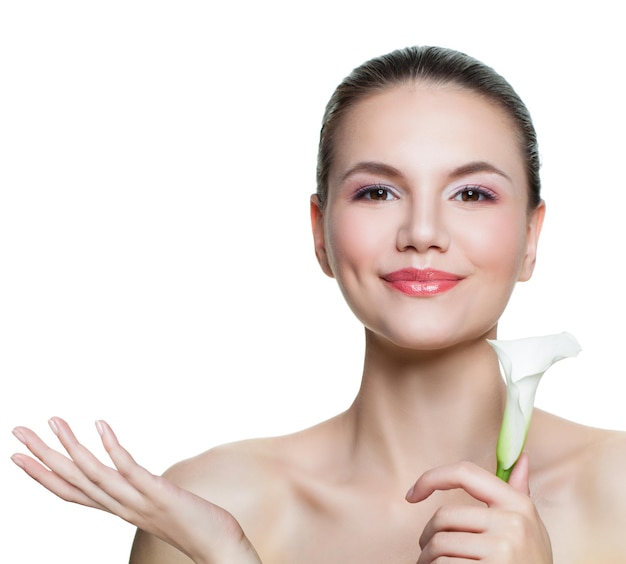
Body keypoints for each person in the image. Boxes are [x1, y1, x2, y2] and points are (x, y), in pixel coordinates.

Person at [11, 45, 626, 563]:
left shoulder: (617, 491)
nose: (422, 231)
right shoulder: (213, 505)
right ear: (319, 231)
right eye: (378, 190)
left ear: (531, 237)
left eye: (471, 193)